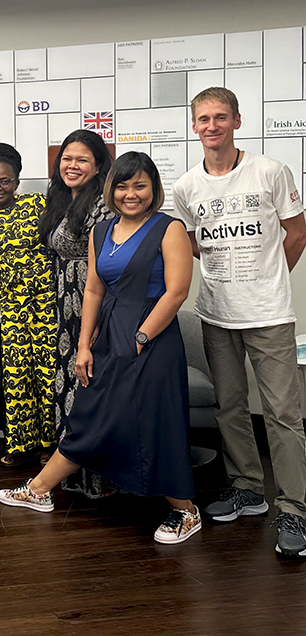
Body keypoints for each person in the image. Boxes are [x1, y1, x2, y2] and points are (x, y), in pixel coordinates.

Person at [0, 152, 201, 545]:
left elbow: (176, 293)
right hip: (107, 336)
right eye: (122, 186)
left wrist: (141, 337)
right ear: (111, 189)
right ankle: (39, 490)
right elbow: (93, 289)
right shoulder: (101, 231)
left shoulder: (169, 227)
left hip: (151, 340)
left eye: (140, 185)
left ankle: (185, 511)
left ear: (154, 189)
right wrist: (83, 346)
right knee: (90, 411)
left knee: (155, 422)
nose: (131, 194)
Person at [173, 87, 306, 557]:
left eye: (221, 117)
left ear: (237, 120)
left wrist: (268, 278)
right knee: (229, 406)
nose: (212, 126)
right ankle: (248, 488)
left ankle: (294, 509)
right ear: (194, 127)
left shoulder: (270, 171)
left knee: (284, 416)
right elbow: (190, 243)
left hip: (269, 314)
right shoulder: (187, 186)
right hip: (216, 314)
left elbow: (297, 231)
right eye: (204, 119)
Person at [37, 129, 114, 495]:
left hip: (91, 305)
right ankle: (70, 474)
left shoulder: (103, 202)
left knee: (89, 391)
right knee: (68, 387)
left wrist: (96, 322)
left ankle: (98, 479)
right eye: (67, 158)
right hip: (63, 307)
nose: (72, 165)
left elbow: (108, 265)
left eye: (82, 159)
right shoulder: (61, 198)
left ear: (99, 166)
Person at [0, 143, 56, 466]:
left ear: (17, 182)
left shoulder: (37, 204)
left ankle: (51, 445)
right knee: (16, 375)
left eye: (5, 181)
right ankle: (21, 445)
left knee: (47, 374)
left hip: (44, 302)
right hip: (12, 306)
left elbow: (55, 245)